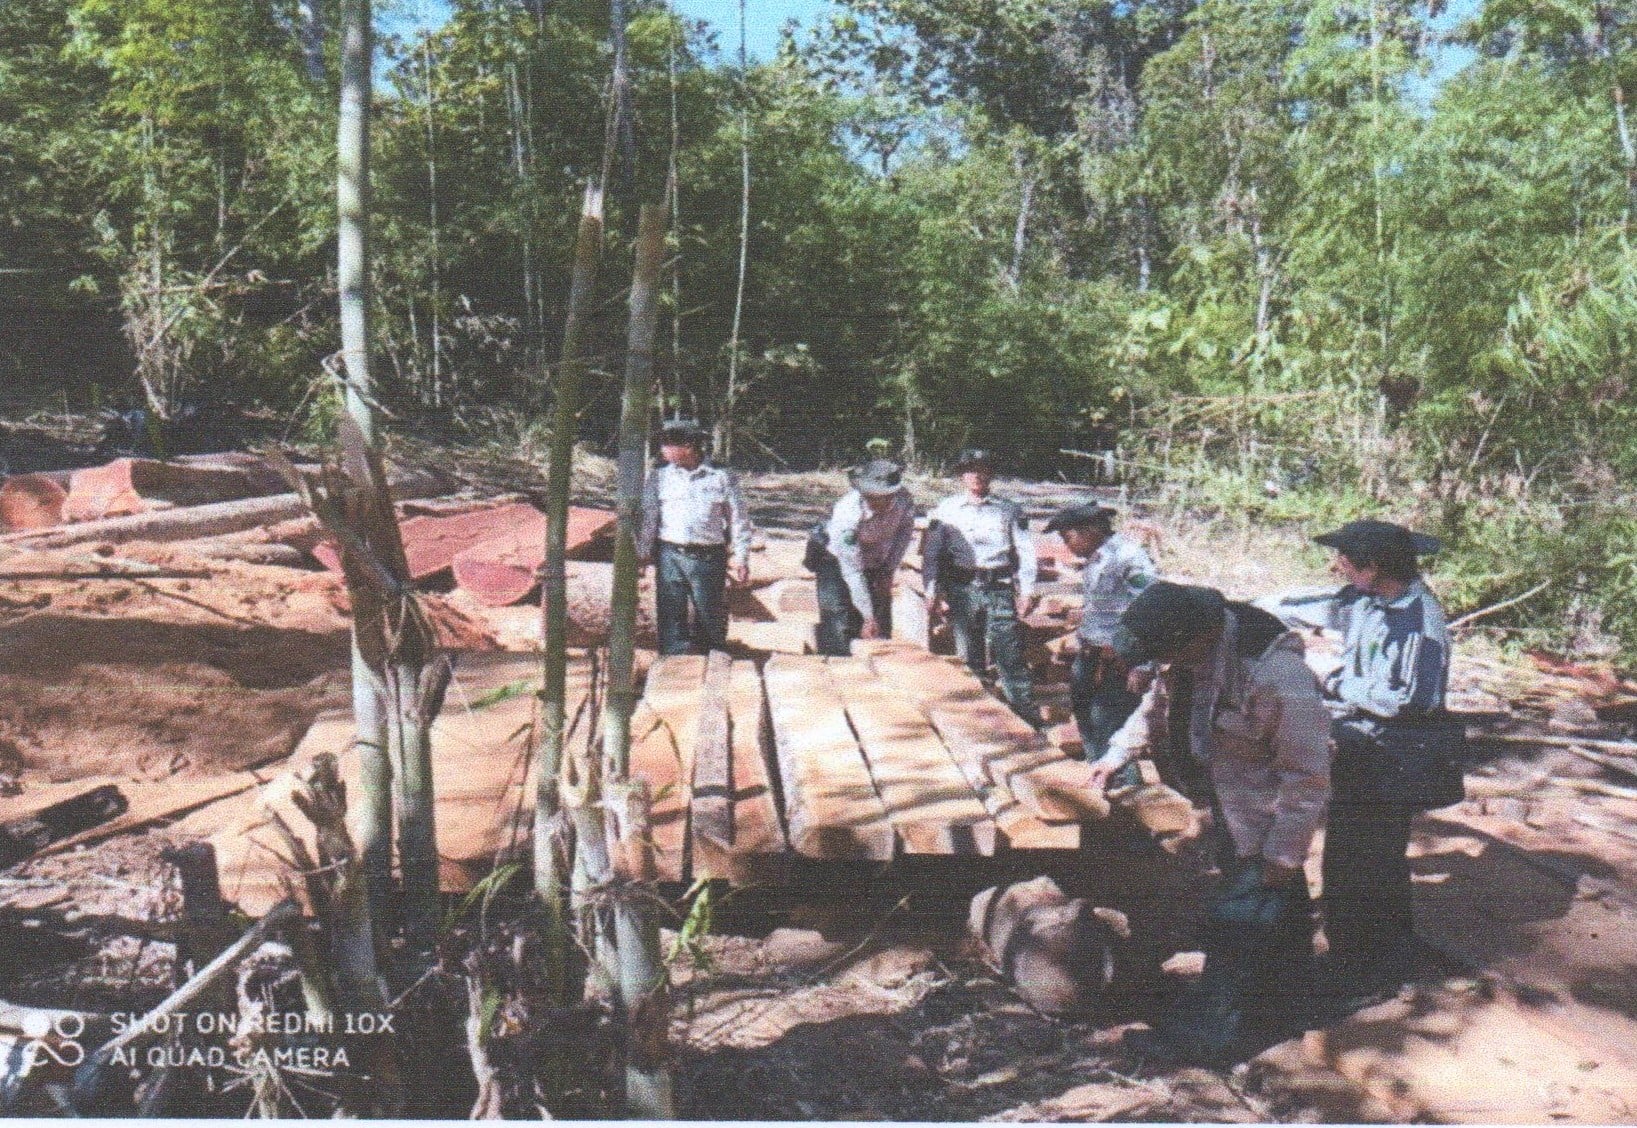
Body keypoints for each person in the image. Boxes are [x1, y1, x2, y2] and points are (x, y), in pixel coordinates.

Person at [1086, 581, 1332, 1064]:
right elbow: (1155, 706)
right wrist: (1116, 754)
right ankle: (1288, 1007)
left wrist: (1283, 853)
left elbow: (1307, 776)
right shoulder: (1187, 653)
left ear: (1198, 637)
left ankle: (1207, 1039)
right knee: (1278, 914)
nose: (1163, 665)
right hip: (1227, 803)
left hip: (1266, 818)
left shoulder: (1276, 675)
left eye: (1167, 656)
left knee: (1238, 924)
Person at [1299, 519, 1454, 993]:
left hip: (1393, 755)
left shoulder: (1419, 621)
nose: (1338, 566)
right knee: (1348, 857)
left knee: (1372, 860)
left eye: (1346, 560)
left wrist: (1333, 681)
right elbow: (1300, 607)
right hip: (1360, 745)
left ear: (1373, 567)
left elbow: (1411, 699)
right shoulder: (1366, 601)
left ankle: (1373, 965)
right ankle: (1358, 956)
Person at [923, 449, 1041, 726]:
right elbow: (932, 554)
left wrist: (1027, 589)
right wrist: (931, 590)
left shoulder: (1008, 510)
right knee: (967, 655)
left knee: (1008, 651)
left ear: (991, 474)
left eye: (983, 470)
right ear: (962, 476)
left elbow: (1025, 551)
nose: (977, 476)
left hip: (998, 587)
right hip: (962, 587)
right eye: (970, 471)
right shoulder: (946, 510)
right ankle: (978, 719)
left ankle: (1024, 717)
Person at [1042, 503, 1159, 759]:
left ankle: (1121, 781)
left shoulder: (1128, 557)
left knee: (1111, 731)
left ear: (1089, 531)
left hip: (1118, 660)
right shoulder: (1094, 560)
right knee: (1088, 724)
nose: (1066, 546)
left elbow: (1150, 608)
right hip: (1089, 655)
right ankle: (1097, 775)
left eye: (1068, 537)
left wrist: (1143, 665)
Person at [637, 418, 755, 656]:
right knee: (671, 617)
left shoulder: (721, 476)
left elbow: (738, 519)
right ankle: (673, 663)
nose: (662, 449)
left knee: (709, 617)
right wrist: (642, 553)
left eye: (668, 444)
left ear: (689, 446)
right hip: (669, 554)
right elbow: (649, 518)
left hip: (708, 557)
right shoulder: (659, 477)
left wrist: (741, 557)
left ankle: (712, 662)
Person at [810, 459, 917, 657]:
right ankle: (837, 662)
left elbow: (904, 531)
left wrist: (888, 570)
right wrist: (868, 616)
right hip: (836, 560)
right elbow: (852, 572)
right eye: (868, 495)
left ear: (891, 494)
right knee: (839, 620)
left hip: (875, 558)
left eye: (879, 496)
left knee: (880, 624)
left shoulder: (904, 499)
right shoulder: (847, 513)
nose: (872, 500)